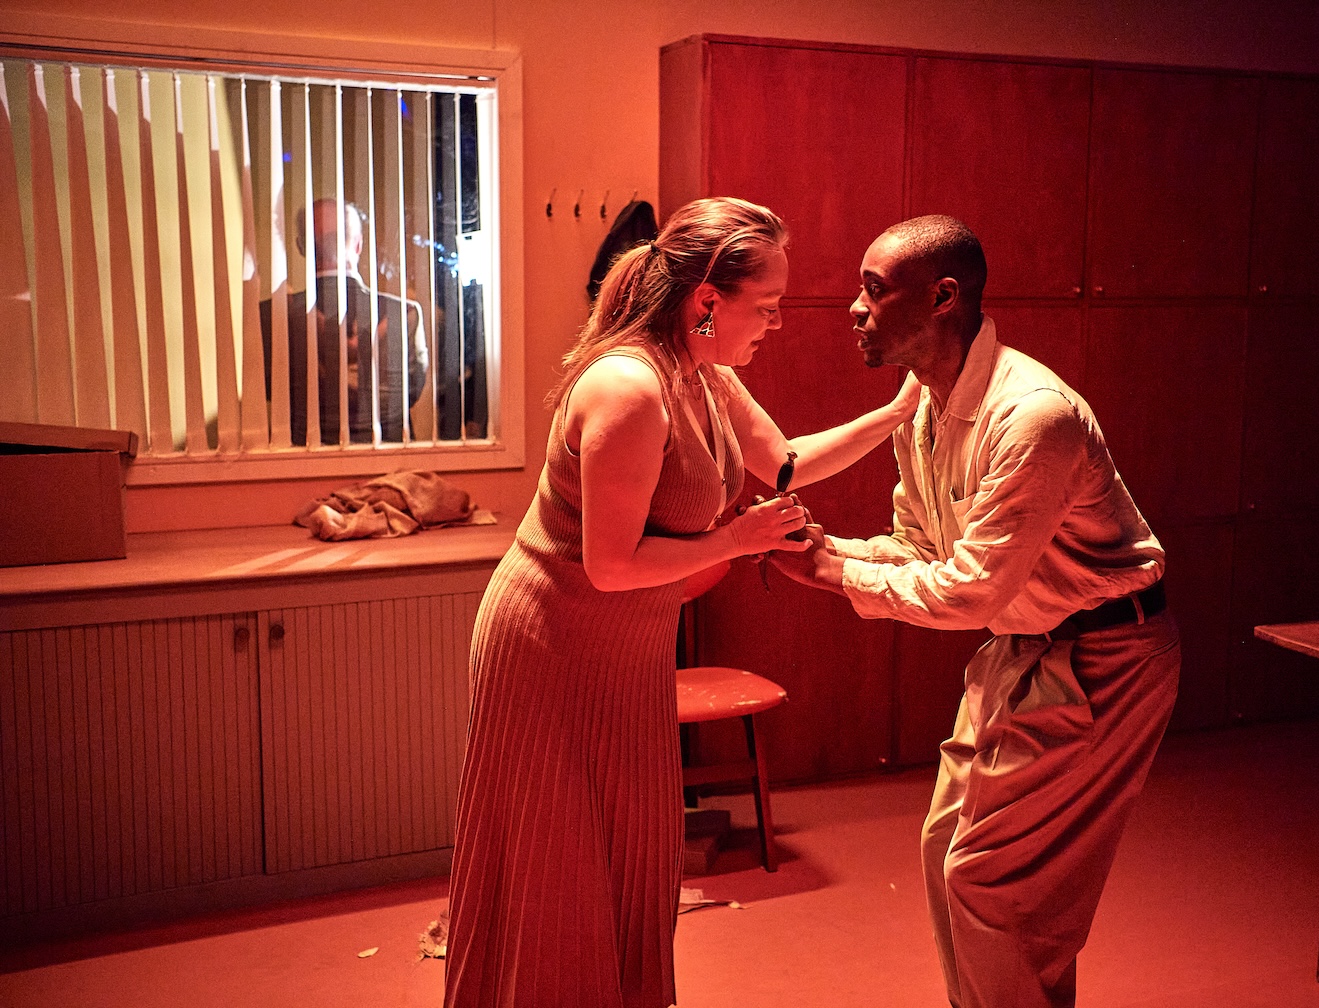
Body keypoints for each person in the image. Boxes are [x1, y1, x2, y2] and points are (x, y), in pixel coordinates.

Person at [444, 197, 920, 1008]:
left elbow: (786, 464)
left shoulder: (706, 375)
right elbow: (610, 564)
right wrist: (739, 540)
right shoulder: (630, 387)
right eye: (764, 305)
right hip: (554, 647)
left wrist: (901, 412)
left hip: (625, 650)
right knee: (558, 869)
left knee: (629, 856)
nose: (775, 322)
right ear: (706, 301)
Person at [770, 216, 1181, 1008]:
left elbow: (969, 591)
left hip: (1107, 659)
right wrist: (824, 552)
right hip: (1024, 646)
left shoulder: (1032, 415)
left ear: (944, 297)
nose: (853, 308)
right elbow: (922, 548)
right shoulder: (924, 409)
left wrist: (831, 574)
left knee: (993, 883)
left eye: (874, 288)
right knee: (944, 854)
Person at [260, 197, 429, 444]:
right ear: (359, 245)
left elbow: (270, 389)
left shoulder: (272, 315)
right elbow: (412, 390)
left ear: (301, 246)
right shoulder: (404, 313)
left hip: (306, 461)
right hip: (388, 458)